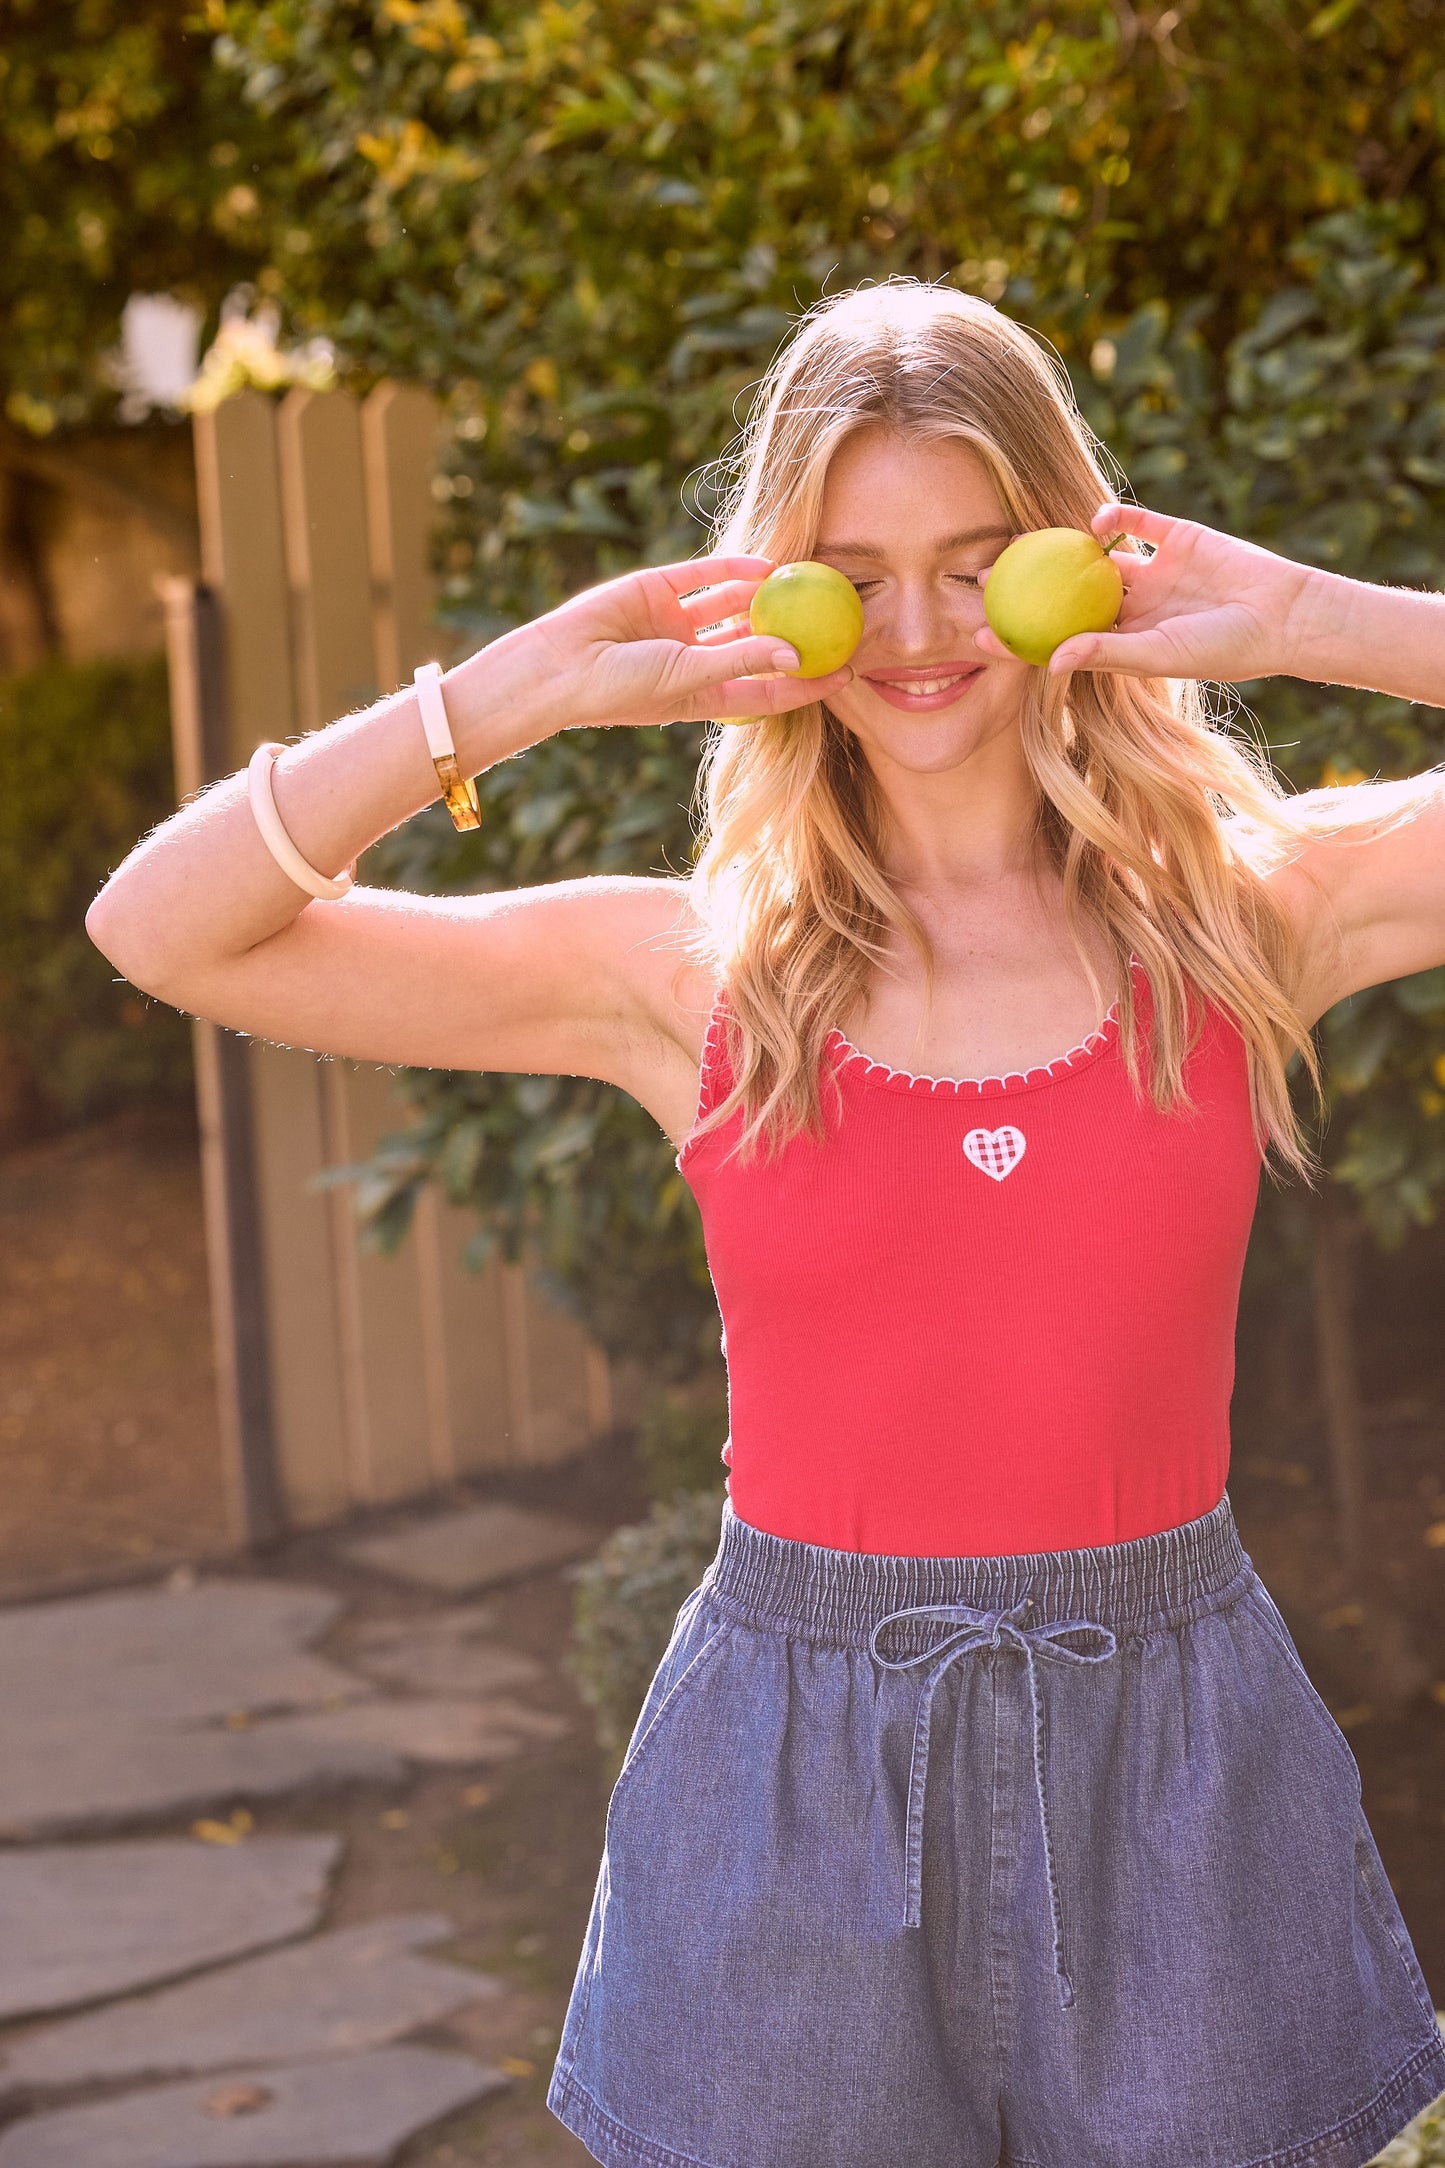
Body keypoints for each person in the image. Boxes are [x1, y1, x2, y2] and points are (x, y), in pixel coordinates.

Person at [87, 280, 1445, 2168]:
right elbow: (161, 932)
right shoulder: (691, 970)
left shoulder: (1235, 917)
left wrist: (1317, 625)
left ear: (1074, 558)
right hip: (791, 1775)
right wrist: (511, 689)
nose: (914, 633)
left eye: (978, 564)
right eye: (853, 571)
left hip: (1178, 1761)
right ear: (774, 593)